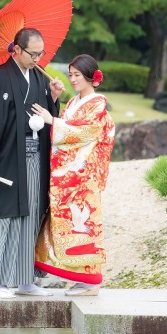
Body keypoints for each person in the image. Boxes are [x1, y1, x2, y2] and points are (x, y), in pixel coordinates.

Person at [0, 27, 65, 299]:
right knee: (6, 217)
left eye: (41, 54)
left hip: (35, 158)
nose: (37, 58)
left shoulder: (39, 78)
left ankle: (25, 281)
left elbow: (46, 118)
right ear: (17, 50)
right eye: (33, 53)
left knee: (32, 214)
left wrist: (53, 98)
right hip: (7, 159)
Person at [30, 54, 115, 296]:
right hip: (71, 176)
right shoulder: (74, 103)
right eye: (71, 75)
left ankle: (91, 282)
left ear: (92, 78)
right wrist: (54, 104)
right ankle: (83, 279)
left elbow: (84, 134)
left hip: (83, 179)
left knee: (84, 225)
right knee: (71, 224)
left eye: (78, 75)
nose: (73, 79)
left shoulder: (97, 106)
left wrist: (51, 121)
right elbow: (69, 129)